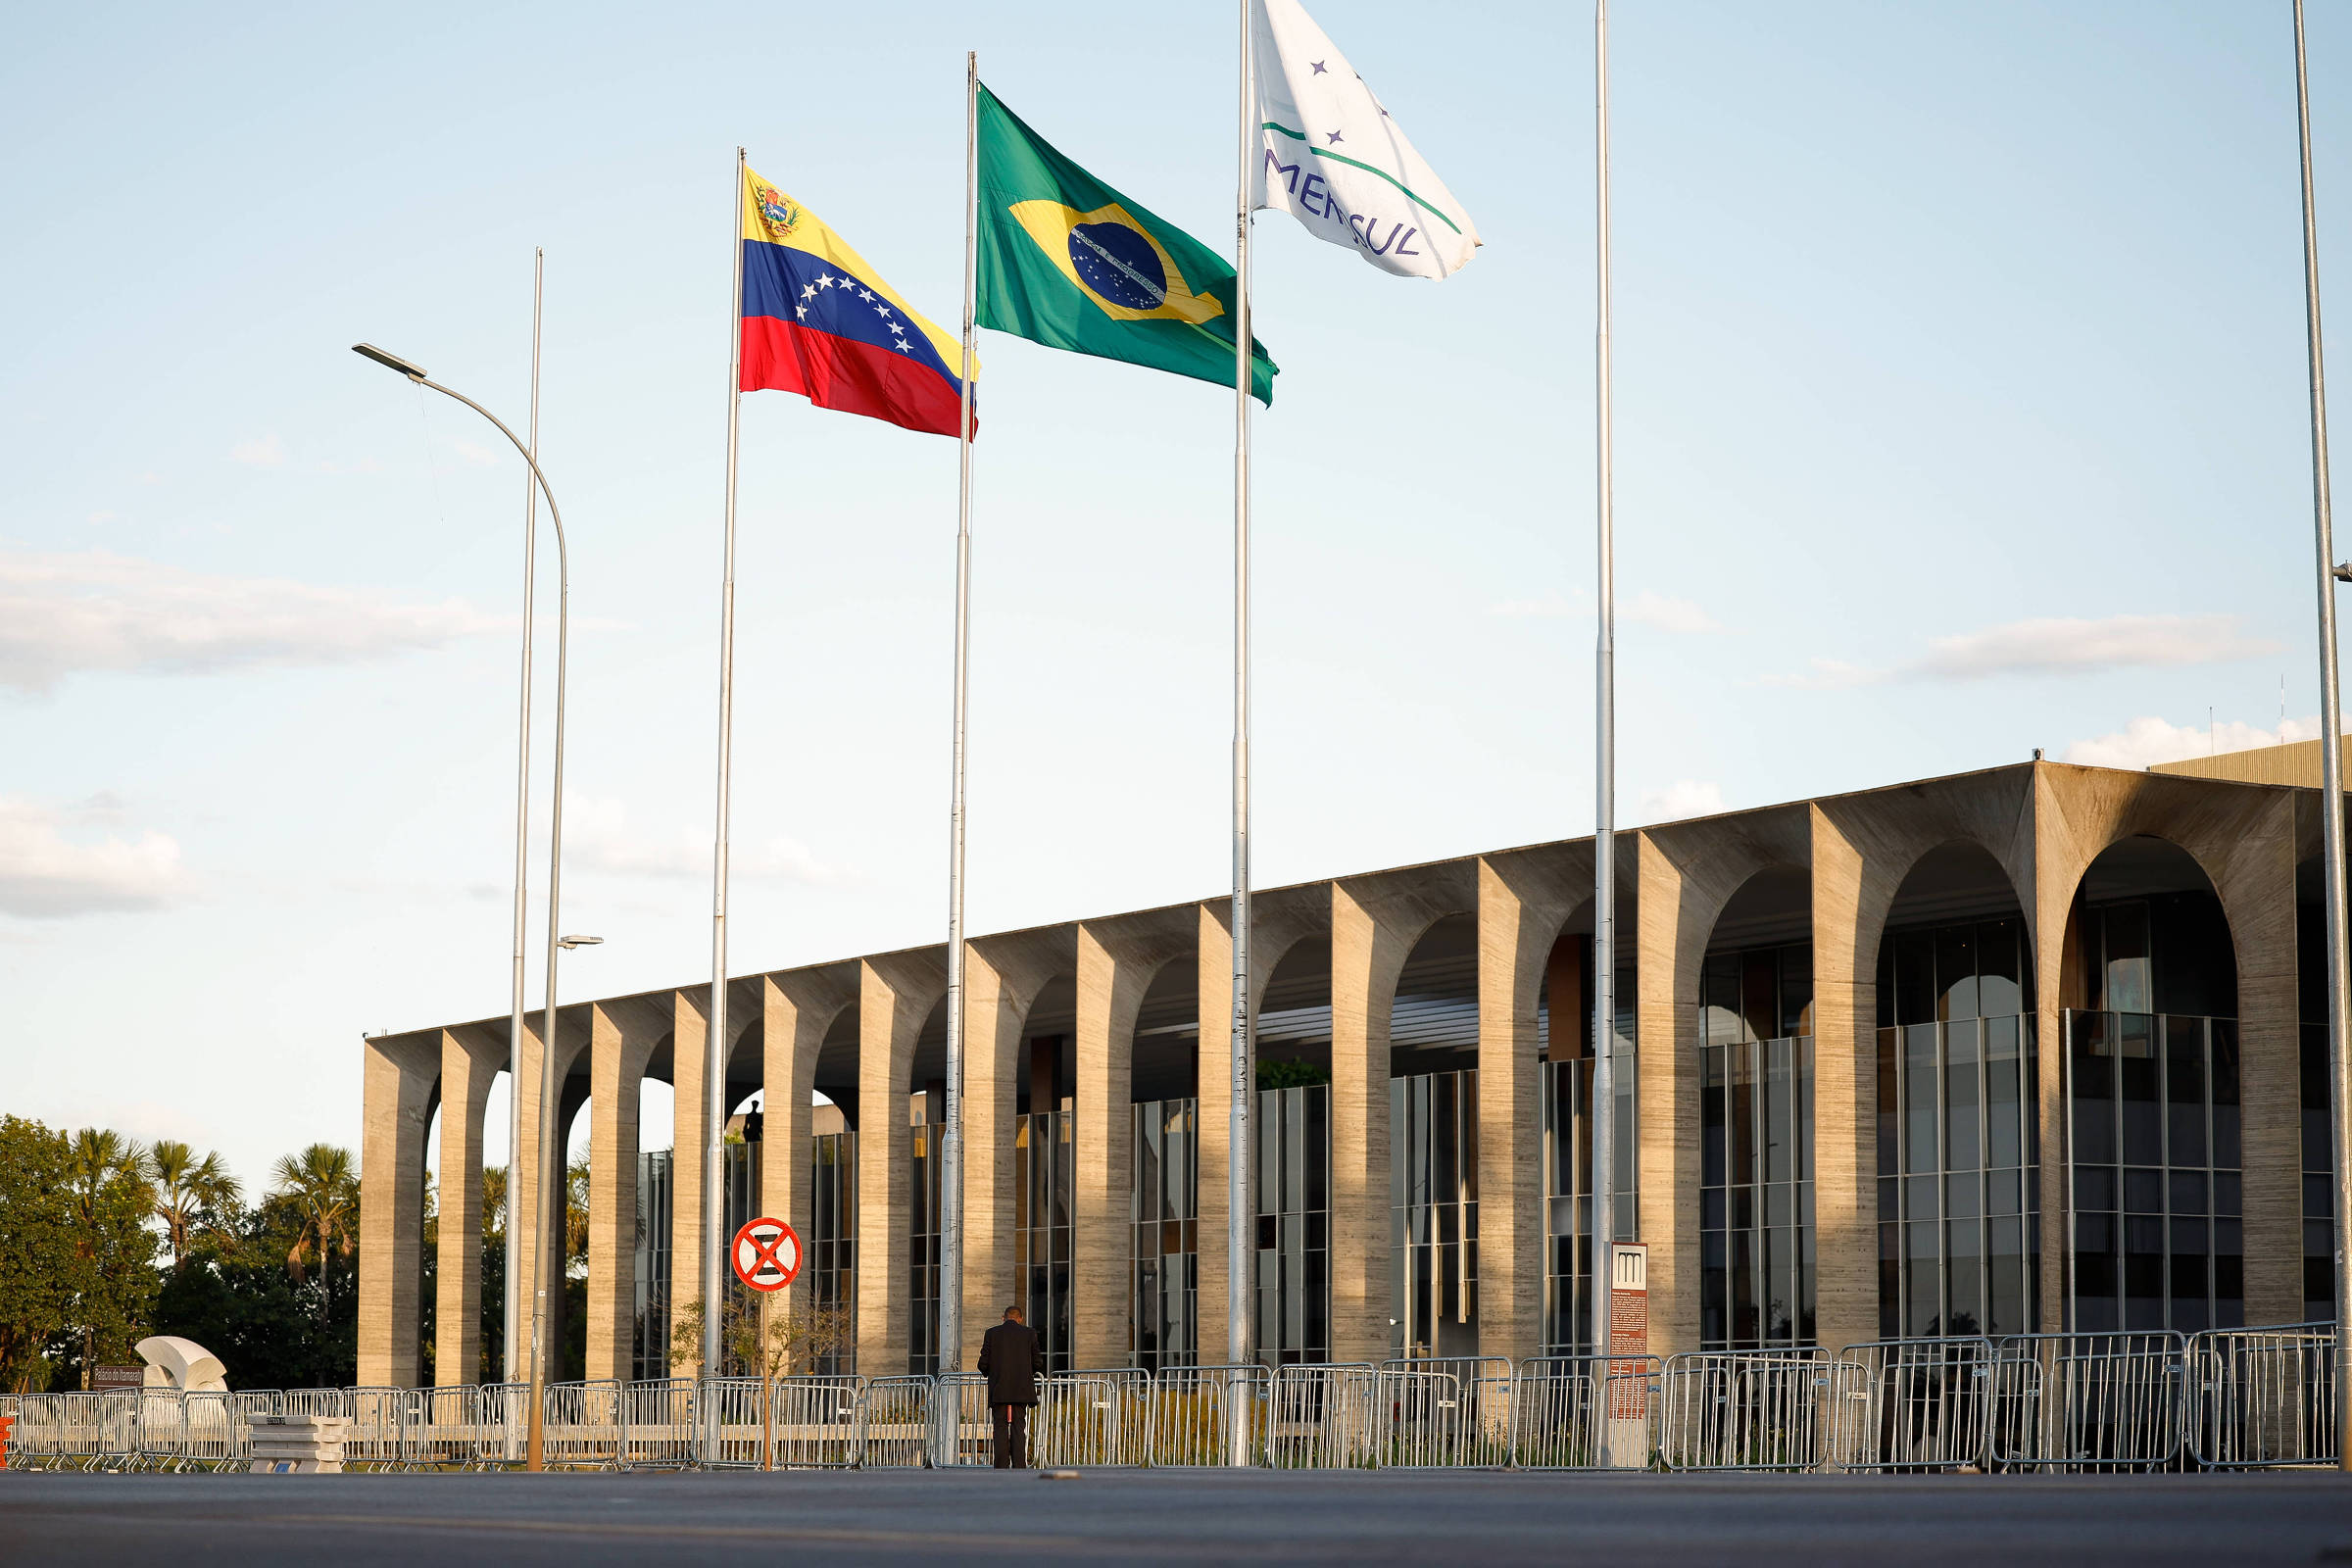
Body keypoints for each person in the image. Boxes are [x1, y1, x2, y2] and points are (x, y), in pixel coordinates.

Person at [976, 1304, 1044, 1469]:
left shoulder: (991, 1333)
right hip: (1021, 1390)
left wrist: (991, 1373)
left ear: (1003, 1317)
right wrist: (1026, 1373)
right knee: (1018, 1427)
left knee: (1000, 1427)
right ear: (1020, 1319)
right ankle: (1019, 1465)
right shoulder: (1030, 1334)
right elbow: (1038, 1362)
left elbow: (982, 1363)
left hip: (999, 1389)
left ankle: (1001, 1466)